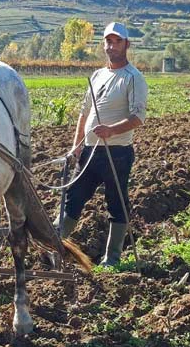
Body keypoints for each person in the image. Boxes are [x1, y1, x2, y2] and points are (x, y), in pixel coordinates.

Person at [55, 21, 148, 265]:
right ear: (103, 44)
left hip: (117, 153)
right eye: (108, 41)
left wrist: (111, 130)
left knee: (116, 203)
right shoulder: (97, 75)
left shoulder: (133, 78)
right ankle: (53, 247)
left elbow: (138, 117)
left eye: (117, 41)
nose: (112, 45)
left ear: (126, 44)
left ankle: (112, 259)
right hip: (89, 151)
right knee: (73, 198)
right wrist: (76, 146)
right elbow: (84, 114)